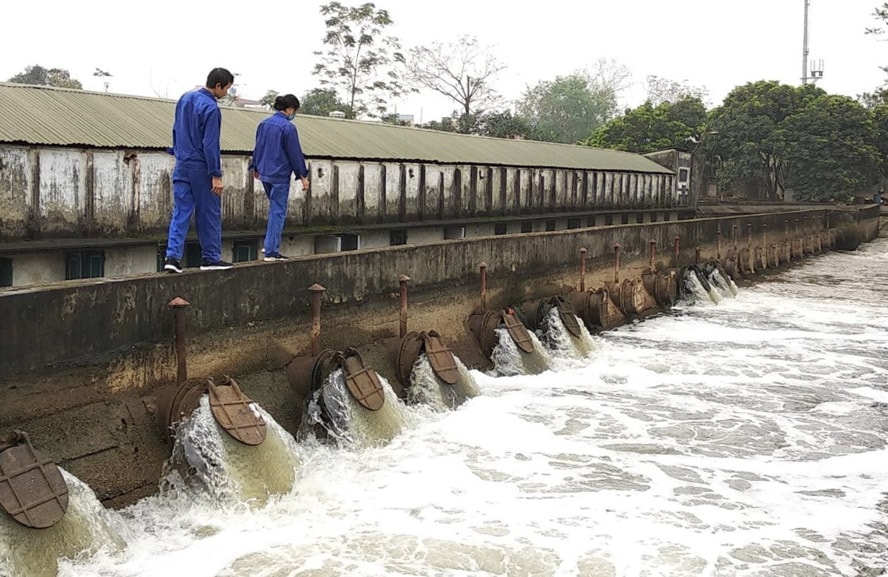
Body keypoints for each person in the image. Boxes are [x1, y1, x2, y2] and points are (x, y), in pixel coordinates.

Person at [163, 67, 235, 273]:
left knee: (181, 211)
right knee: (209, 212)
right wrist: (216, 174)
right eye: (227, 89)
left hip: (182, 162)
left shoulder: (185, 98)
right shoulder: (211, 108)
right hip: (201, 165)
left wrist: (178, 152)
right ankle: (211, 258)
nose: (226, 94)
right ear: (218, 86)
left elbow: (176, 129)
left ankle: (172, 257)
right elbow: (210, 144)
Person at [249, 93, 310, 262]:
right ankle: (271, 250)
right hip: (280, 174)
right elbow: (295, 154)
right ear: (290, 109)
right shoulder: (288, 128)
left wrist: (255, 166)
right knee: (278, 212)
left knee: (274, 209)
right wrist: (303, 176)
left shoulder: (264, 124)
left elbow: (258, 146)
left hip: (265, 173)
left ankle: (270, 244)